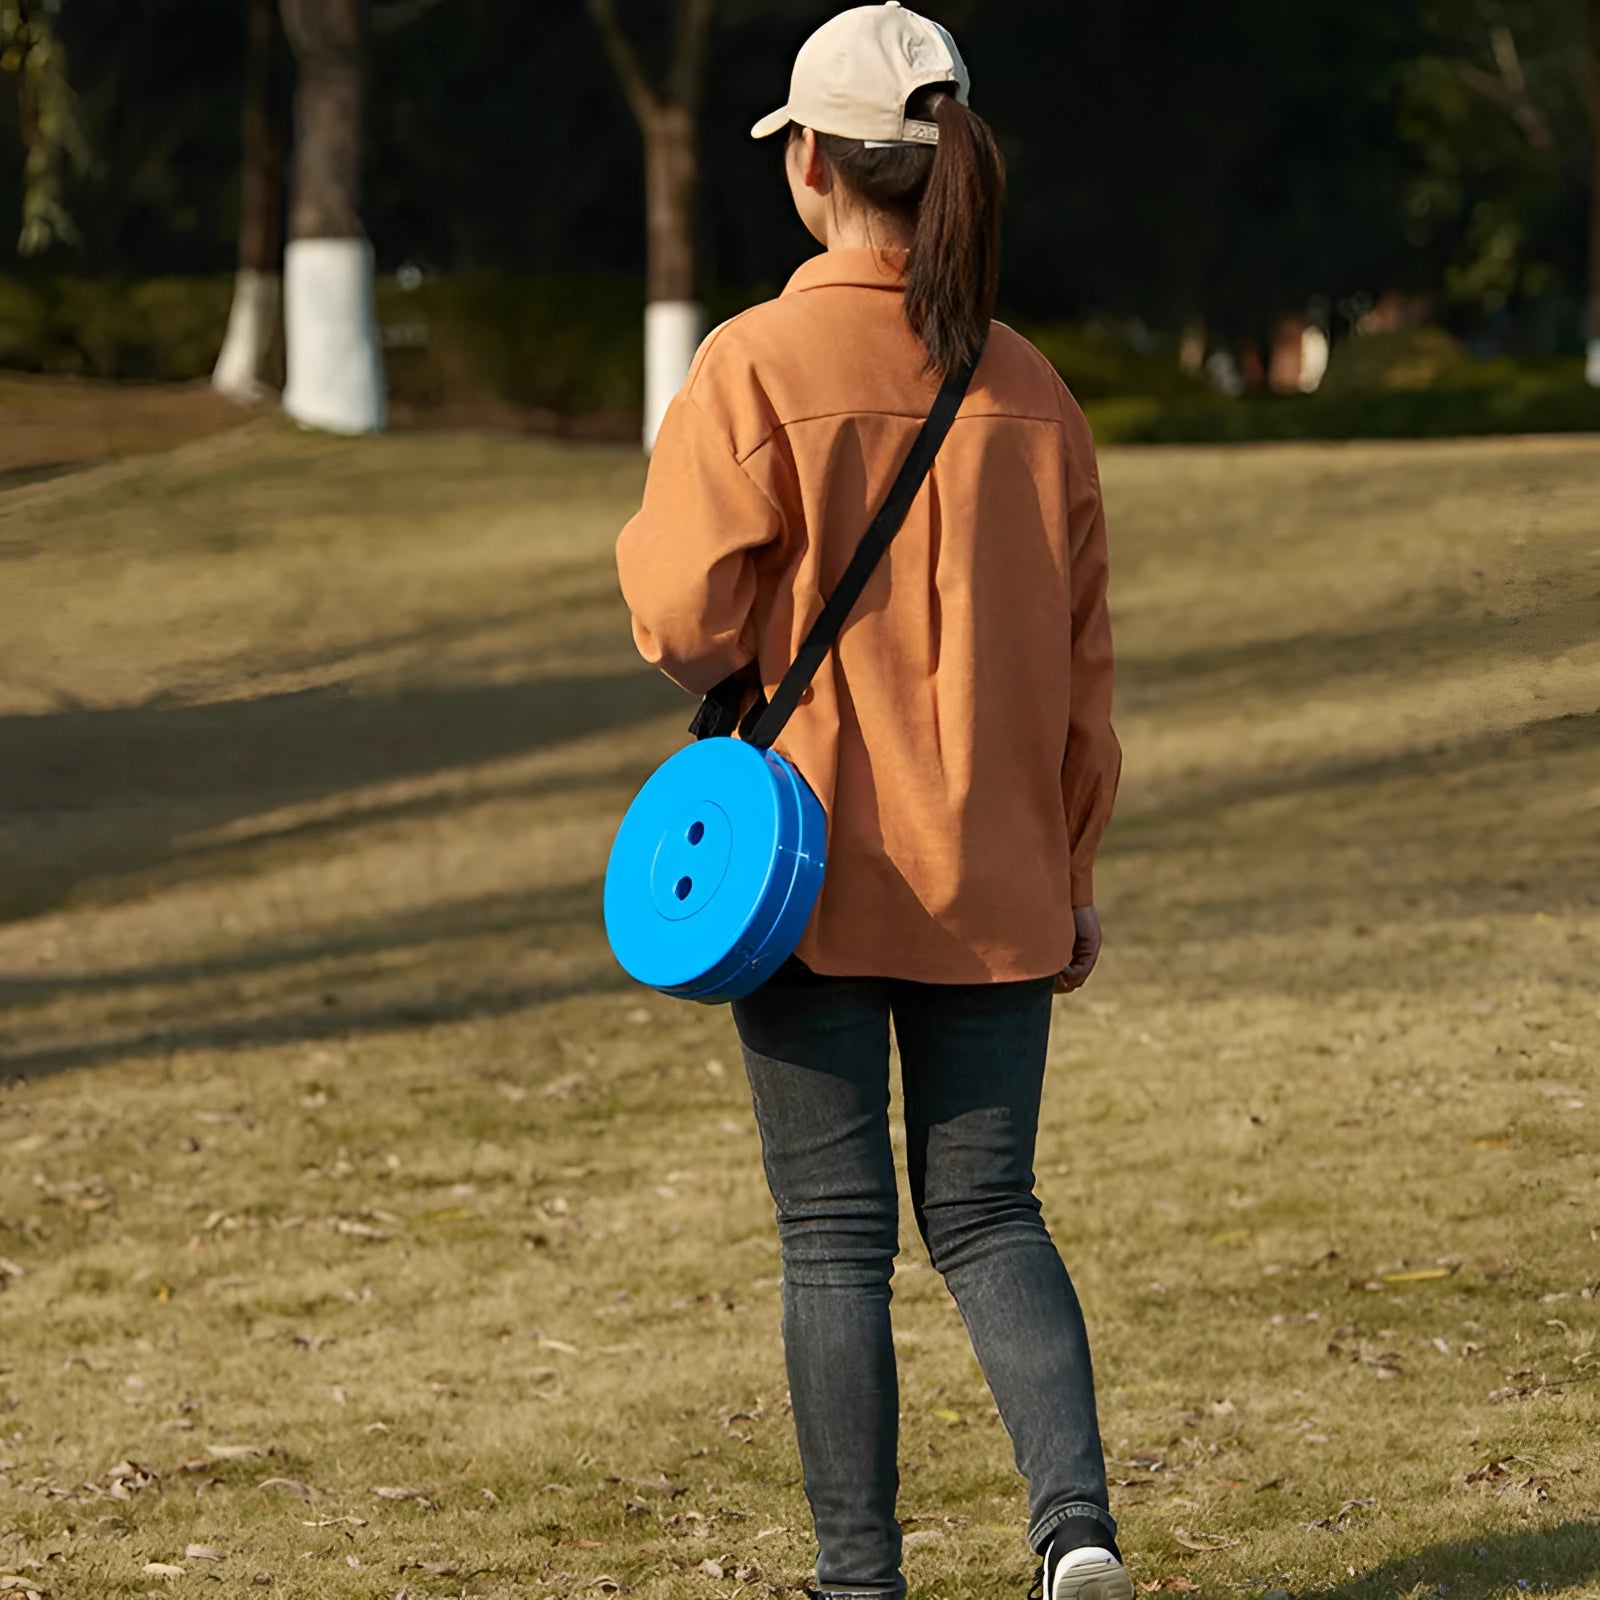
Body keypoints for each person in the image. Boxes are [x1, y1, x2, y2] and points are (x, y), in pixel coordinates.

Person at [614, 6, 1124, 1599]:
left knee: (833, 1241)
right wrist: (1073, 866)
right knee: (990, 1216)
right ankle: (1078, 1534)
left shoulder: (754, 362)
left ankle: (860, 1583)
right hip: (998, 876)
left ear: (813, 163)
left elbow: (684, 628)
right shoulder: (1036, 392)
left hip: (805, 873)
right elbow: (1083, 670)